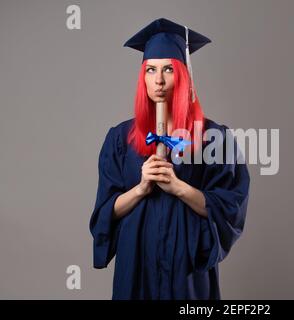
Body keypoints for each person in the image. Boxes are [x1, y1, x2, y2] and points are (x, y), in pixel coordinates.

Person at [89, 18, 251, 300]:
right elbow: (105, 213)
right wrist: (140, 189)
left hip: (185, 269)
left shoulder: (213, 137)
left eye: (168, 70)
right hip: (136, 263)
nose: (159, 80)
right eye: (151, 70)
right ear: (143, 77)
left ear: (184, 75)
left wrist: (179, 188)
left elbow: (230, 207)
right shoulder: (120, 138)